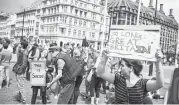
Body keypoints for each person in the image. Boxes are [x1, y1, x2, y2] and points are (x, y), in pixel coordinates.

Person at [96, 49, 164, 104]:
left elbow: (159, 84)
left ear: (131, 68)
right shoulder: (118, 79)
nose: (120, 68)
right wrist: (105, 57)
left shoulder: (142, 83)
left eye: (122, 65)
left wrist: (158, 63)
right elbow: (101, 72)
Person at [12, 40, 28, 104]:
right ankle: (20, 97)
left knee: (21, 85)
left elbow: (24, 64)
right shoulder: (23, 51)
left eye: (20, 44)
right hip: (20, 70)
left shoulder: (24, 52)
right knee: (19, 84)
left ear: (22, 45)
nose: (19, 45)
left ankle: (24, 100)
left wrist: (19, 70)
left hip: (20, 71)